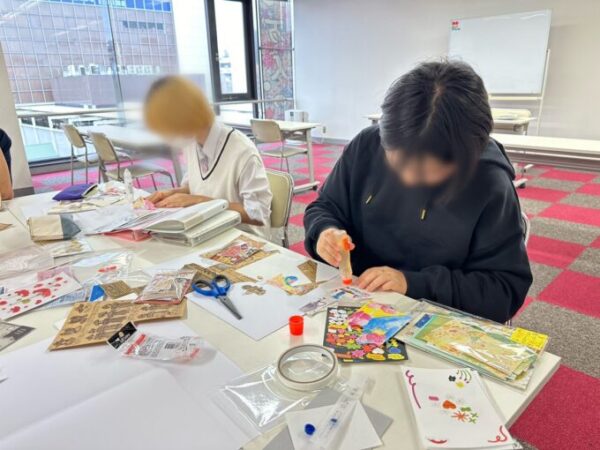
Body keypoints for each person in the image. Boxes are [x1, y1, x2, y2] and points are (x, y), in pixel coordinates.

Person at [304, 61, 532, 323]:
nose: (407, 178)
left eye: (423, 172)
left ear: (466, 158)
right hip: (356, 302)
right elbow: (325, 206)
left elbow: (502, 291)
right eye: (397, 163)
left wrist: (412, 283)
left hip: (438, 318)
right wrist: (324, 231)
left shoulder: (489, 183)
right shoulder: (367, 145)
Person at [143, 76, 272, 236]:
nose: (169, 138)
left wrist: (199, 201)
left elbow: (258, 214)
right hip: (207, 227)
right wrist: (174, 194)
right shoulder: (192, 142)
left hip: (241, 235)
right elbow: (196, 186)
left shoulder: (242, 151)